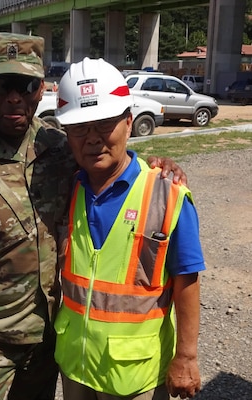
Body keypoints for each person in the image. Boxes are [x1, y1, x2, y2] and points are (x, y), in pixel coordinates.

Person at [0, 32, 187, 400]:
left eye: (26, 85)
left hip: (46, 344)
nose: (14, 96)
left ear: (41, 88)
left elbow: (110, 162)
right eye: (3, 85)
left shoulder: (58, 147)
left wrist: (157, 167)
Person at [53, 57, 205, 400]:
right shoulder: (66, 188)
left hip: (134, 377)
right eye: (80, 128)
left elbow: (187, 279)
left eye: (104, 124)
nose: (93, 139)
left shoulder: (167, 194)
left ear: (128, 122)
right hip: (75, 366)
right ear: (66, 133)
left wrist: (186, 356)